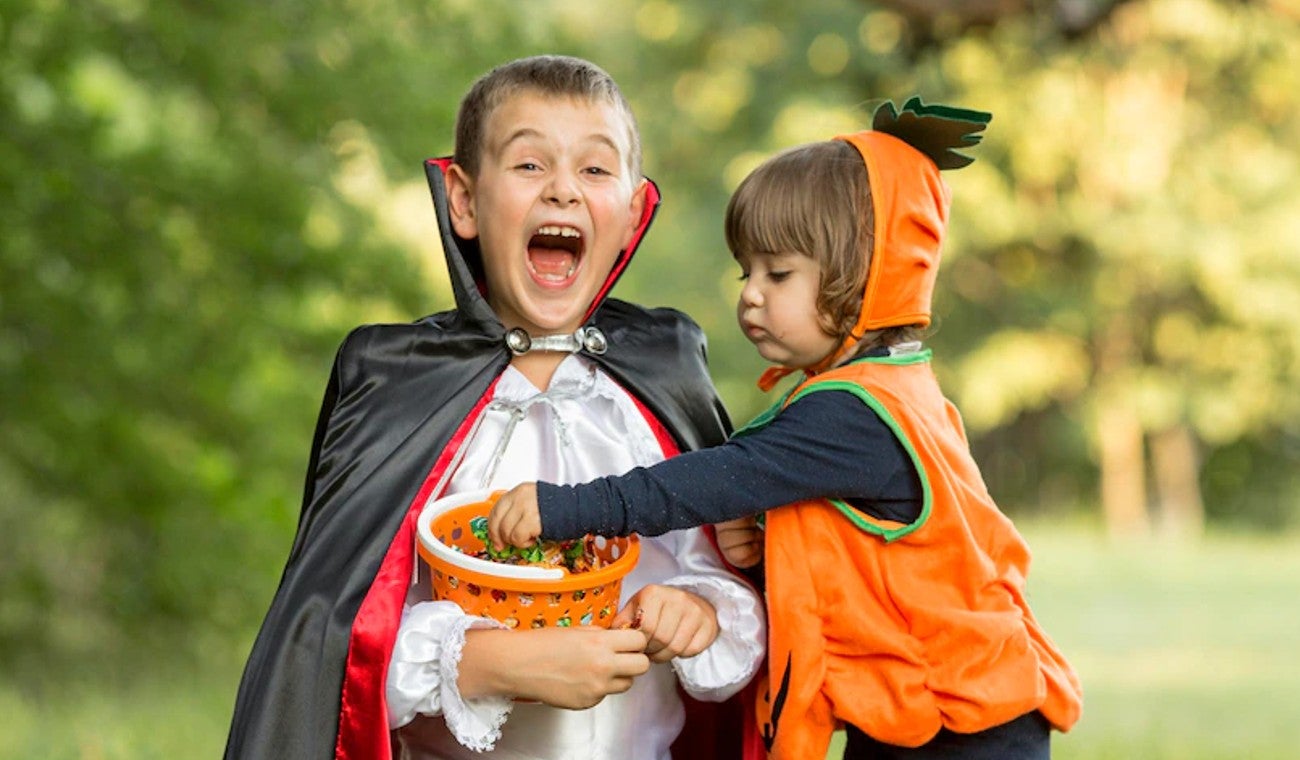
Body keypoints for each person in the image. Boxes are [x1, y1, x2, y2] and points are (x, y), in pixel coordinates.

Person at [488, 97, 1084, 759]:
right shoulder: (890, 386)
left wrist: (568, 508)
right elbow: (866, 558)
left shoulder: (855, 412)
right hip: (919, 709)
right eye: (747, 271)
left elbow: (711, 481)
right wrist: (770, 547)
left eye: (779, 273)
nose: (751, 293)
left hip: (961, 723)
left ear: (866, 281)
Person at [224, 55, 765, 760]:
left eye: (595, 168)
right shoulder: (397, 382)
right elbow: (332, 650)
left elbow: (741, 583)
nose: (564, 190)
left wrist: (698, 610)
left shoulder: (664, 372)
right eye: (530, 165)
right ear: (464, 200)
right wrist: (489, 663)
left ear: (632, 212)